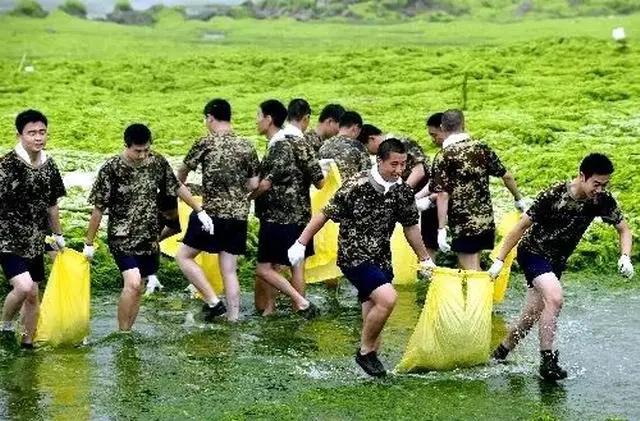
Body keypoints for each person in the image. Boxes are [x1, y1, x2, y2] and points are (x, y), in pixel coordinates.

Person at [288, 138, 436, 377]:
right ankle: (364, 352)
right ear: (379, 161)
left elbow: (410, 227)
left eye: (403, 164)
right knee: (388, 299)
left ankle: (371, 366)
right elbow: (324, 214)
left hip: (381, 258)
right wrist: (300, 243)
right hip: (354, 256)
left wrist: (424, 258)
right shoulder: (357, 184)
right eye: (393, 164)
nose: (399, 170)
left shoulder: (403, 191)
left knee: (373, 312)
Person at [488, 153, 634, 381]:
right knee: (555, 298)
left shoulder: (601, 199)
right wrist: (499, 260)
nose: (600, 189)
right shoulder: (554, 194)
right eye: (596, 184)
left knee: (531, 315)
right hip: (533, 253)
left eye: (605, 185)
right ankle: (548, 361)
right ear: (582, 176)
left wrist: (625, 256)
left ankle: (500, 353)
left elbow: (624, 229)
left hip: (556, 261)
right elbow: (520, 227)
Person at [84, 123, 213, 331]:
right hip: (121, 236)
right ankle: (121, 332)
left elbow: (177, 187)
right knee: (133, 282)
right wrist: (89, 243)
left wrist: (199, 210)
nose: (142, 155)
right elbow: (98, 208)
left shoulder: (157, 162)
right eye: (137, 151)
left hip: (149, 237)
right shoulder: (111, 169)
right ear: (126, 146)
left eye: (146, 150)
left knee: (139, 286)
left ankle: (127, 330)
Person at [175, 99, 260, 322]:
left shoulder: (204, 143)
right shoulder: (247, 145)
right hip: (239, 215)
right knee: (229, 270)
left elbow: (180, 175)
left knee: (183, 257)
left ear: (210, 117)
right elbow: (253, 184)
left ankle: (213, 301)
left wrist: (191, 189)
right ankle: (233, 318)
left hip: (211, 213)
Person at [249, 99, 324, 317]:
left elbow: (266, 183)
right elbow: (320, 182)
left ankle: (294, 305)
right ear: (306, 118)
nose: (256, 120)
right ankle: (292, 310)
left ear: (269, 118)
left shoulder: (279, 143)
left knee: (268, 268)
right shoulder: (304, 144)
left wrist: (245, 198)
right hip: (301, 214)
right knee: (297, 266)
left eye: (258, 115)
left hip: (278, 216)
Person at [0, 110, 66, 349]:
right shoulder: (7, 165)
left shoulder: (49, 165)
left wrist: (57, 236)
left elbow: (52, 205)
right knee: (24, 286)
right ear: (19, 135)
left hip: (37, 237)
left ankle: (28, 342)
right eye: (31, 133)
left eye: (42, 132)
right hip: (7, 238)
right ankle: (5, 325)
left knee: (33, 293)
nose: (38, 138)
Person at [431, 109, 527, 270]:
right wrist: (519, 199)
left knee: (470, 270)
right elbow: (507, 176)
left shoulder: (443, 156)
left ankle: (482, 295)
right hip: (485, 220)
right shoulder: (481, 148)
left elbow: (442, 194)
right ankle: (481, 294)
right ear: (463, 124)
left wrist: (441, 228)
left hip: (463, 225)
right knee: (470, 265)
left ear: (442, 127)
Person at [318, 111, 370, 181]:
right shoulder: (358, 147)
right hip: (348, 190)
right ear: (355, 128)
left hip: (327, 190)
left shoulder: (323, 145)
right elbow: (367, 175)